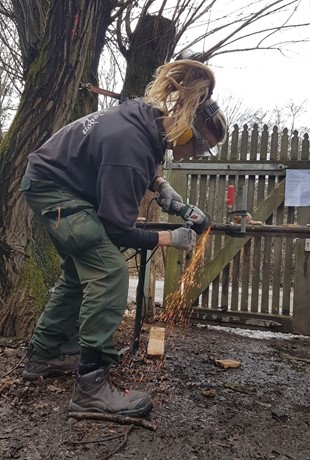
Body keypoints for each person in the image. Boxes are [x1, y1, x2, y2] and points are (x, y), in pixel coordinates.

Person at [20, 59, 227, 417]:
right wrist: (171, 238)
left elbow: (129, 158)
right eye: (199, 146)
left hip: (59, 182)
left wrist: (163, 189)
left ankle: (45, 354)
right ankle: (91, 388)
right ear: (185, 127)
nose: (195, 154)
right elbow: (116, 227)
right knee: (109, 271)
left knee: (78, 274)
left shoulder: (144, 117)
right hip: (53, 189)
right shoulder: (131, 143)